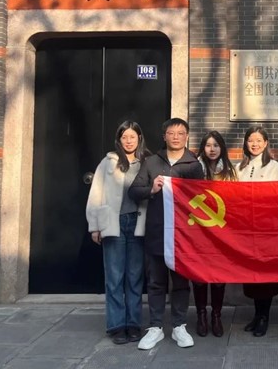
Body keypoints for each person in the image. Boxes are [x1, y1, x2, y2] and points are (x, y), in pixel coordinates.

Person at [129, 118, 204, 350]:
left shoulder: (194, 165)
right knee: (156, 282)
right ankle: (156, 327)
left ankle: (179, 325)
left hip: (183, 235)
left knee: (181, 282)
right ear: (164, 136)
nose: (176, 137)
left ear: (187, 136)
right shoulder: (151, 162)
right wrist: (151, 189)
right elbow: (134, 191)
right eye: (171, 133)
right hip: (157, 231)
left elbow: (202, 198)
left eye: (181, 133)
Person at [86, 120, 151, 345]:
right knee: (114, 277)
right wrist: (95, 226)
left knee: (135, 277)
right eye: (125, 137)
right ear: (119, 140)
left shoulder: (147, 162)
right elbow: (96, 194)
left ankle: (133, 323)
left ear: (139, 138)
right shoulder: (108, 162)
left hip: (138, 224)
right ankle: (116, 325)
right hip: (113, 224)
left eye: (133, 137)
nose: (129, 141)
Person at [235, 126, 278, 337]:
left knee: (266, 274)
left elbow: (277, 195)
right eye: (250, 140)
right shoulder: (239, 167)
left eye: (258, 140)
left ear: (265, 143)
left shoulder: (273, 166)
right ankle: (256, 314)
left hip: (266, 227)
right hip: (246, 228)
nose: (254, 144)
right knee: (251, 274)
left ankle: (265, 316)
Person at [193, 130, 238, 337]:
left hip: (221, 231)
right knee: (199, 276)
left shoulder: (230, 171)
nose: (212, 149)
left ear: (222, 148)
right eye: (208, 145)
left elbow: (237, 199)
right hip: (197, 230)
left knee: (219, 276)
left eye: (216, 145)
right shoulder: (194, 169)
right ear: (203, 148)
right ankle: (201, 315)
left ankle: (216, 315)